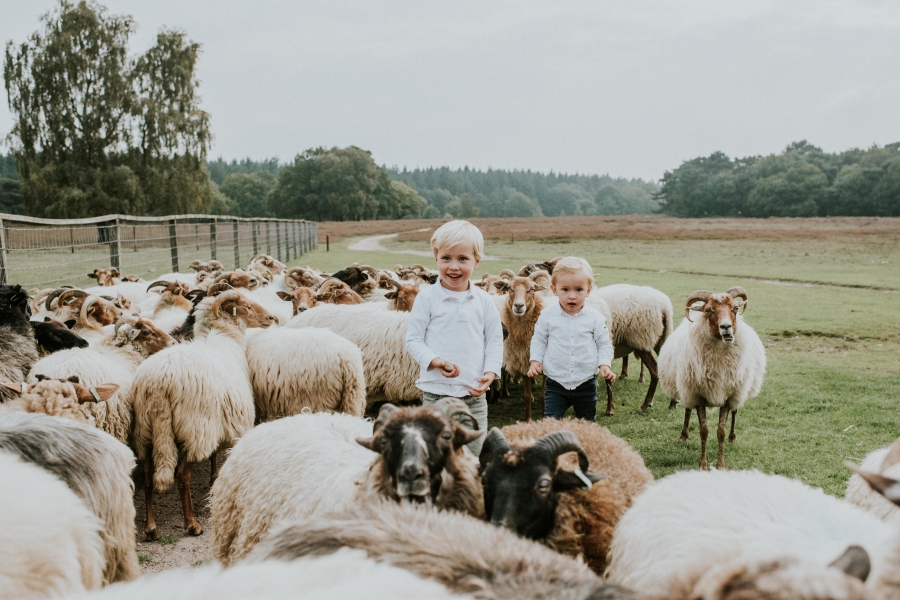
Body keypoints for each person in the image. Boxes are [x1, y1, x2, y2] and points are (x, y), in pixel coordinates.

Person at [405, 220, 503, 455]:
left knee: (474, 457)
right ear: (436, 258)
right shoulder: (427, 299)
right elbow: (413, 340)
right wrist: (435, 361)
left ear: (476, 261)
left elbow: (495, 340)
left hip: (473, 397)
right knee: (434, 455)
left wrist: (491, 372)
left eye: (463, 259)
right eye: (446, 258)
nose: (454, 267)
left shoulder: (483, 300)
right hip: (435, 395)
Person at [527, 256, 615, 422]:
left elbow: (603, 343)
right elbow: (539, 339)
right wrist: (535, 361)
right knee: (551, 424)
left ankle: (586, 447)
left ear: (588, 290)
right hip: (555, 383)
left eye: (579, 290)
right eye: (565, 290)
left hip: (586, 383)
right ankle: (552, 447)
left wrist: (604, 364)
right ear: (554, 290)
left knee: (587, 424)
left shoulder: (595, 317)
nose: (572, 296)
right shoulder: (547, 315)